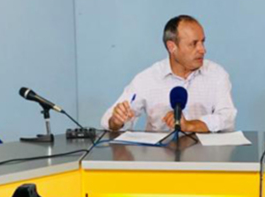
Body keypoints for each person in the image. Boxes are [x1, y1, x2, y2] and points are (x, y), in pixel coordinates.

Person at [100, 15, 237, 133]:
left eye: (202, 42)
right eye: (194, 44)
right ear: (172, 47)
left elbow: (227, 118)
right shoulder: (147, 78)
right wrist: (116, 121)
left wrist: (190, 125)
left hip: (206, 158)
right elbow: (108, 120)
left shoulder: (217, 74)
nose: (202, 50)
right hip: (159, 159)